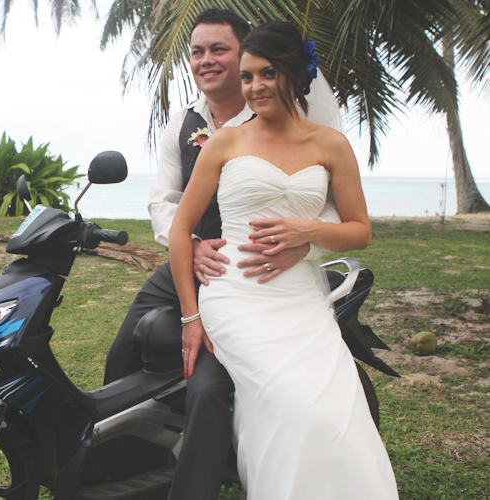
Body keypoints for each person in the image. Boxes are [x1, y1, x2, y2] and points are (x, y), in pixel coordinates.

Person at [103, 9, 344, 500]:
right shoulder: (183, 121)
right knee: (123, 353)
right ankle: (125, 460)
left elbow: (332, 204)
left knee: (208, 381)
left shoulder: (287, 119)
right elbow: (162, 199)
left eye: (219, 50)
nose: (206, 60)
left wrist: (302, 241)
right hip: (187, 260)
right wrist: (187, 244)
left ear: (245, 56)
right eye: (197, 51)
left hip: (254, 269)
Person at [168, 21, 399, 499]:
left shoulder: (330, 145)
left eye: (266, 74)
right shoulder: (225, 143)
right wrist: (191, 316)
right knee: (289, 402)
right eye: (248, 77)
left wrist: (308, 231)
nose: (254, 87)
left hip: (300, 297)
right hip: (235, 296)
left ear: (293, 73)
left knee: (337, 409)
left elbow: (360, 231)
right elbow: (179, 230)